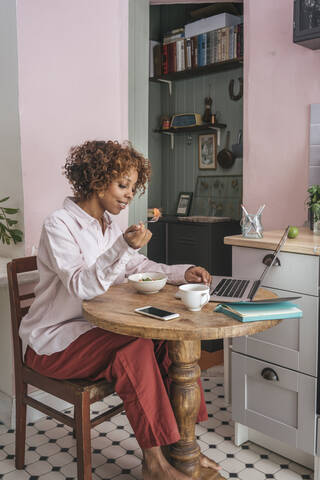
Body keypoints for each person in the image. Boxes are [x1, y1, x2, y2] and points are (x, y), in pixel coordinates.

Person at [19, 140, 220, 480]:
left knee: (164, 341)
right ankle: (154, 463)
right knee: (136, 348)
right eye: (122, 185)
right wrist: (122, 246)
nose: (129, 195)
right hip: (52, 343)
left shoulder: (108, 226)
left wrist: (181, 272)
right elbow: (82, 285)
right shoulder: (58, 225)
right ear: (97, 181)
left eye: (132, 186)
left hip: (92, 333)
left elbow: (136, 266)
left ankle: (184, 448)